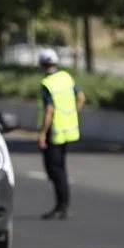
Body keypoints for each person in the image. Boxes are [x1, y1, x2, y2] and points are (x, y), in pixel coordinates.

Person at [36, 48, 86, 220]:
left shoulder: (48, 83)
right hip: (68, 130)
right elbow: (81, 97)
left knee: (55, 170)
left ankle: (61, 206)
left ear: (42, 64)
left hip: (54, 132)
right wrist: (72, 114)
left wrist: (42, 134)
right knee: (61, 169)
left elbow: (49, 110)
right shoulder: (66, 77)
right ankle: (62, 205)